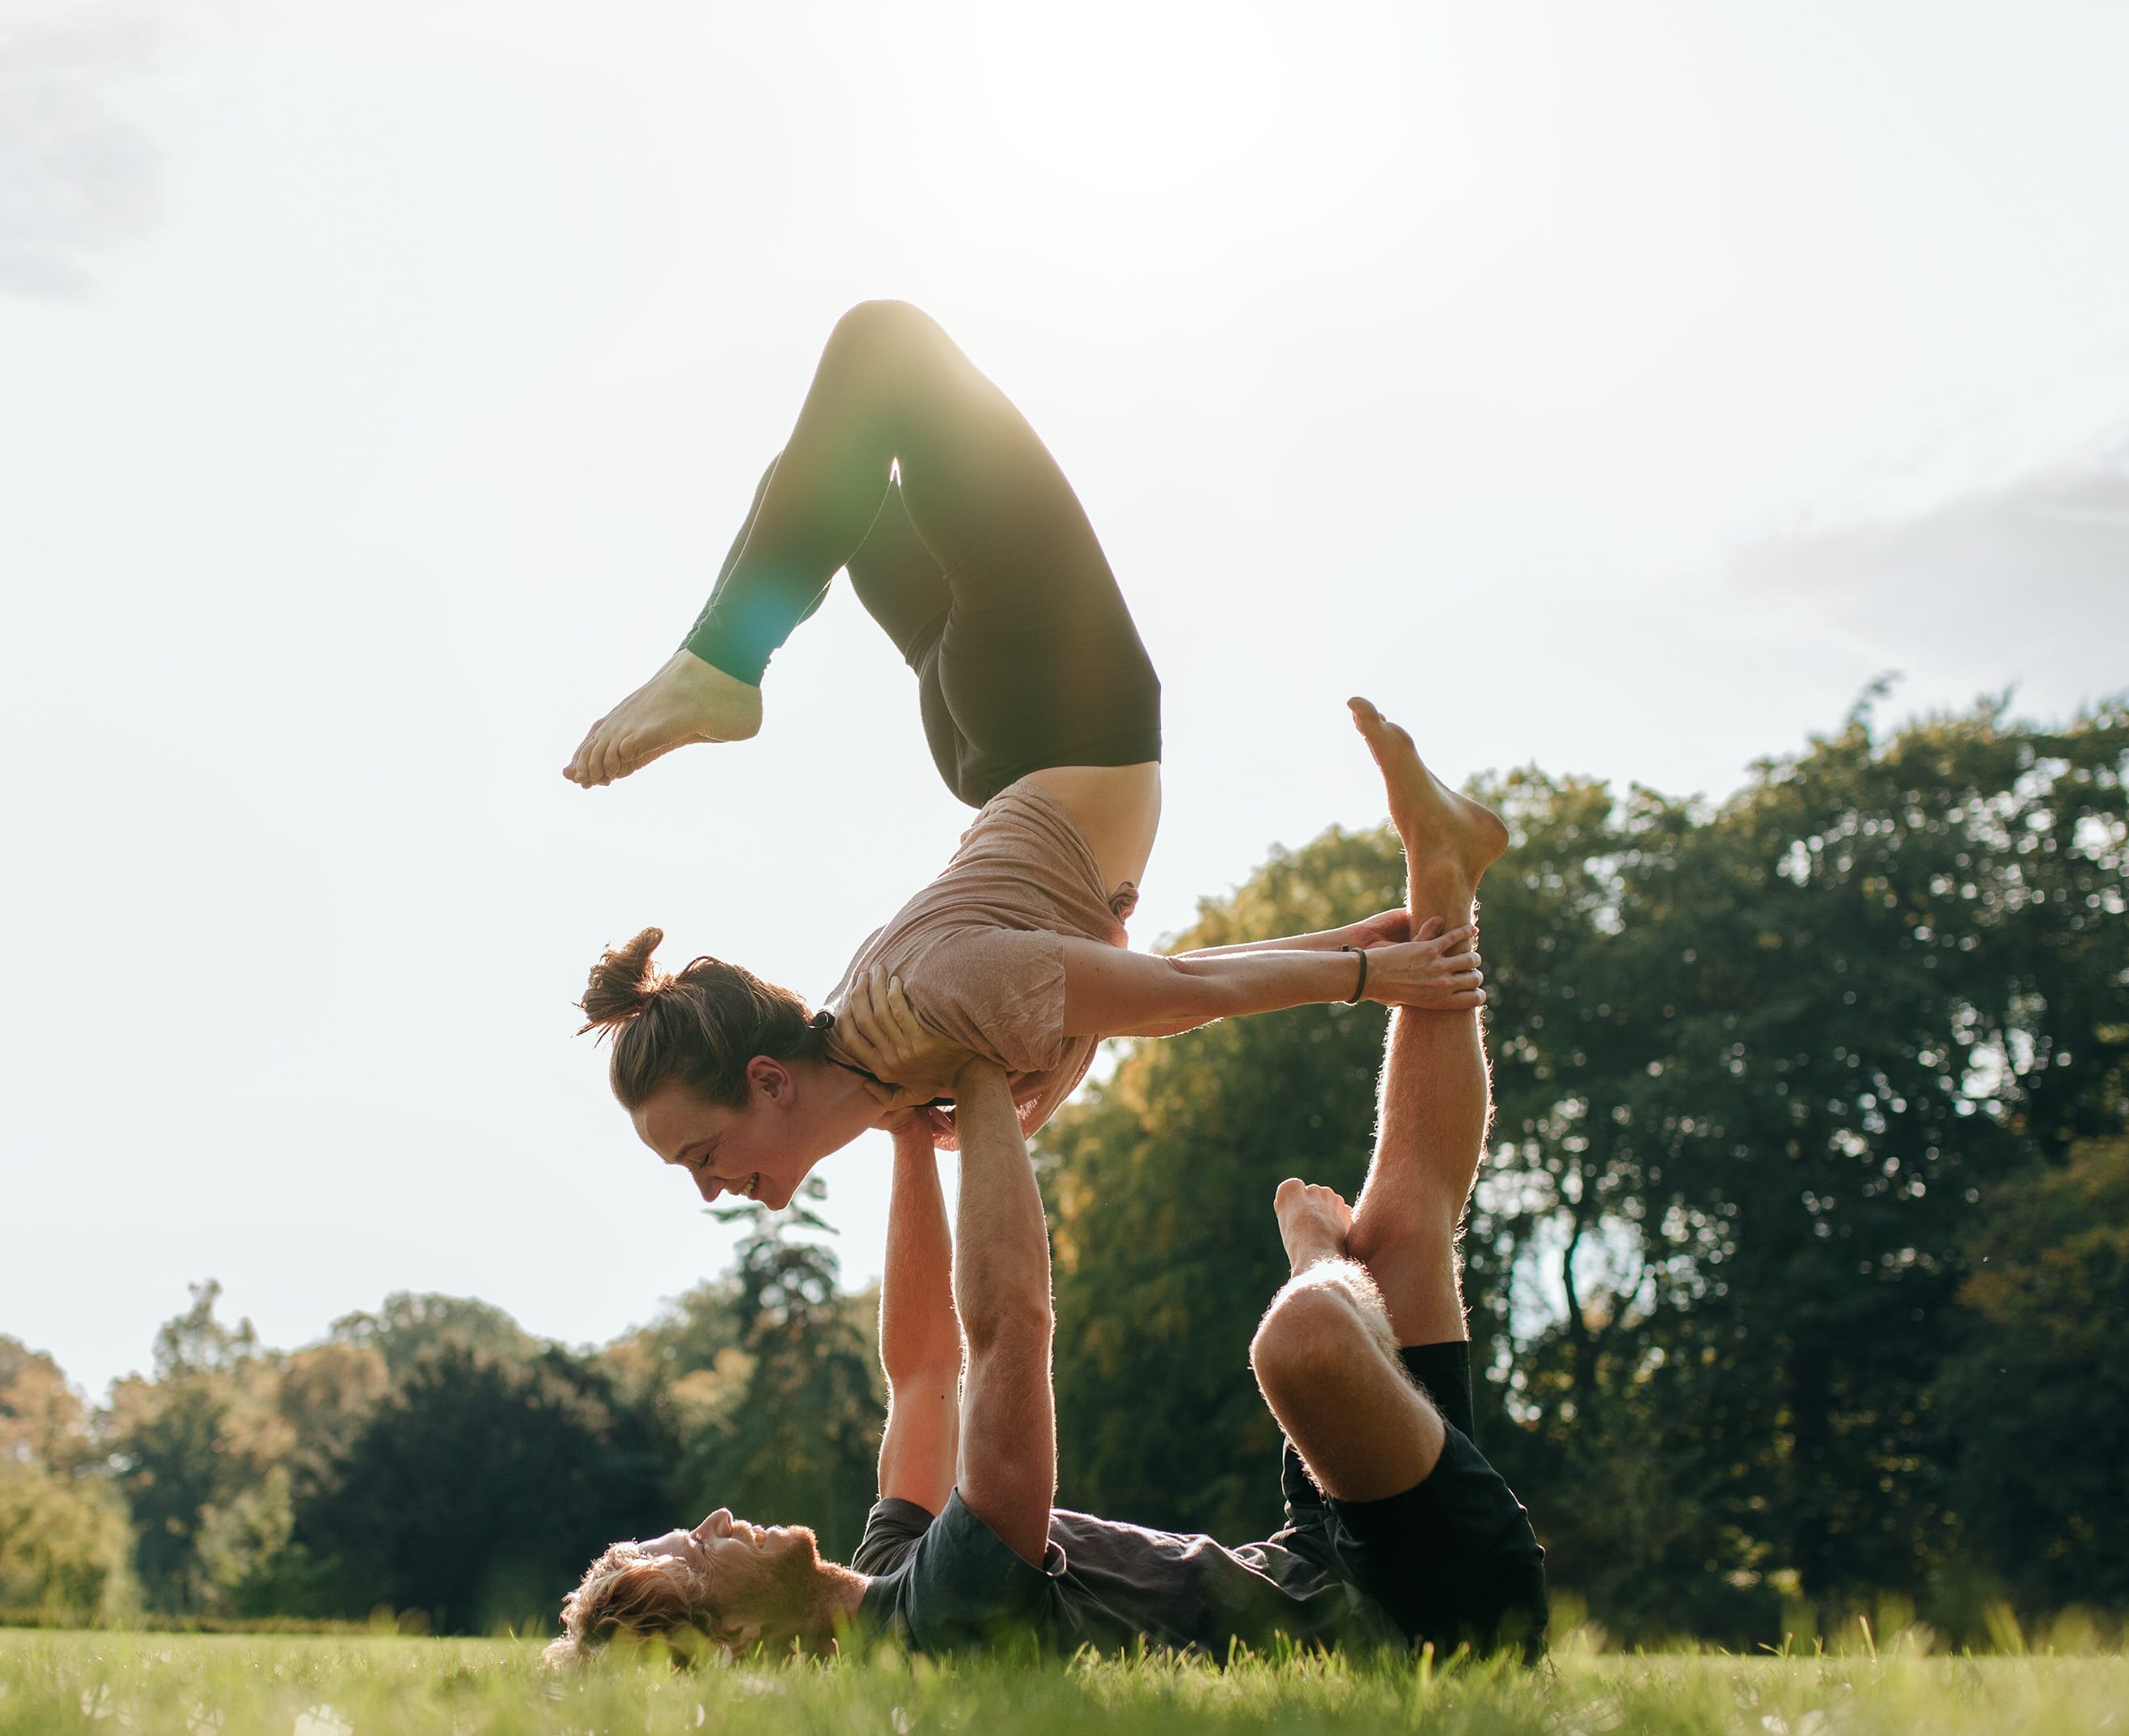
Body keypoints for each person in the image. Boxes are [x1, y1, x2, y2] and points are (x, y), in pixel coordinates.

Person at [548, 730, 1545, 1664]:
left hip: (1325, 1555)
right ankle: (1319, 1255)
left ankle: (1444, 867)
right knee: (1308, 1340)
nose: (718, 1520)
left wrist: (905, 1131)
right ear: (730, 1643)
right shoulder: (944, 1619)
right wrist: (977, 1070)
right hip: (1422, 1612)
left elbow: (926, 1372)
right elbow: (1008, 1328)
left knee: (1408, 1223)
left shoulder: (895, 1565)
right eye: (691, 1556)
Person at [567, 300, 1486, 1211]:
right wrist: (1341, 946)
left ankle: (723, 663)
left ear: (767, 1080)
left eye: (700, 1155)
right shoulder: (891, 1050)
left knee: (884, 351)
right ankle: (725, 656)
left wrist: (1365, 980)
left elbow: (1172, 995)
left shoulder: (925, 1001)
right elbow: (1150, 987)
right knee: (818, 471)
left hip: (1056, 720)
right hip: (993, 744)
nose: (710, 1189)